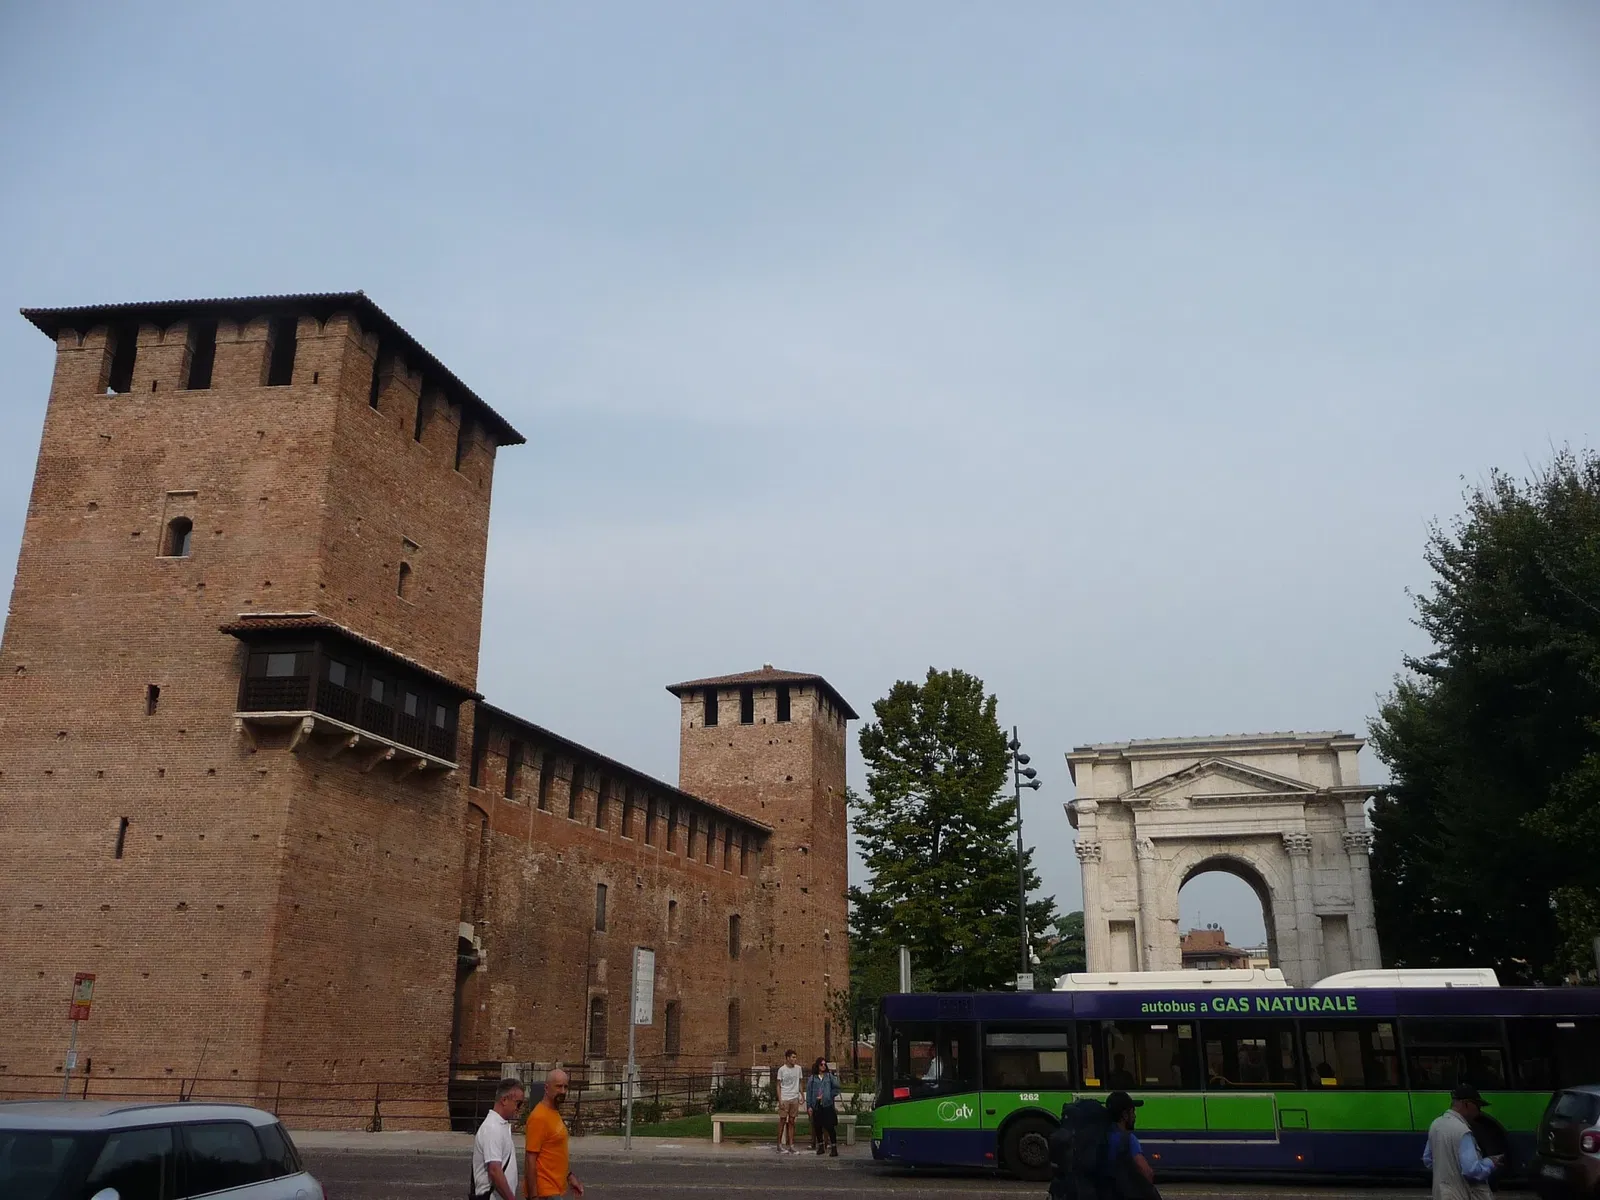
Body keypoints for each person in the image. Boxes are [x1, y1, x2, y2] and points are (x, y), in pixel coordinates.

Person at [1423, 1085, 1502, 1200]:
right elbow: (1471, 1170)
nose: (1479, 1113)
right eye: (1478, 1107)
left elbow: (1428, 1160)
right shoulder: (1463, 1131)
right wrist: (1491, 1162)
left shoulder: (1436, 1124)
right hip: (1460, 1194)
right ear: (1467, 1104)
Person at [525, 1068, 584, 1199]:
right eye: (558, 1087)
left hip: (555, 1189)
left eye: (565, 1087)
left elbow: (554, 1152)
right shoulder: (539, 1117)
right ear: (546, 1088)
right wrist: (533, 1196)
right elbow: (530, 1159)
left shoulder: (553, 1112)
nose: (562, 1091)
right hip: (545, 1192)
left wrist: (569, 1176)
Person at [470, 1078, 523, 1200]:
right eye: (518, 1103)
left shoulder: (499, 1125)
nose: (518, 1108)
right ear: (504, 1100)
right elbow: (494, 1170)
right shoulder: (492, 1128)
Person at [1106, 1090, 1159, 1199]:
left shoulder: (1102, 1135)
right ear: (1125, 1115)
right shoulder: (1127, 1139)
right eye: (1133, 1112)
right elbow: (1146, 1172)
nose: (1134, 1117)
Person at [806, 1057, 841, 1157]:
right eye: (821, 1064)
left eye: (824, 1064)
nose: (823, 1066)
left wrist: (829, 1095)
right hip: (816, 1105)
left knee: (830, 1126)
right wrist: (809, 1106)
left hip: (827, 1104)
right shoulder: (812, 1079)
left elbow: (837, 1087)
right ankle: (820, 1146)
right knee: (817, 1126)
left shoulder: (829, 1077)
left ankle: (834, 1147)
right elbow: (809, 1093)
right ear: (817, 1066)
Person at [776, 1049, 804, 1154]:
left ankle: (791, 1145)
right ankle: (779, 1144)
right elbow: (778, 1085)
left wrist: (802, 1094)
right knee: (782, 1121)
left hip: (794, 1098)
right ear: (787, 1058)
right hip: (785, 1097)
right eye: (792, 1057)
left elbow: (800, 1082)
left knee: (792, 1121)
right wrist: (780, 1100)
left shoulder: (798, 1069)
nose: (794, 1059)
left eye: (795, 1057)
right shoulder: (782, 1070)